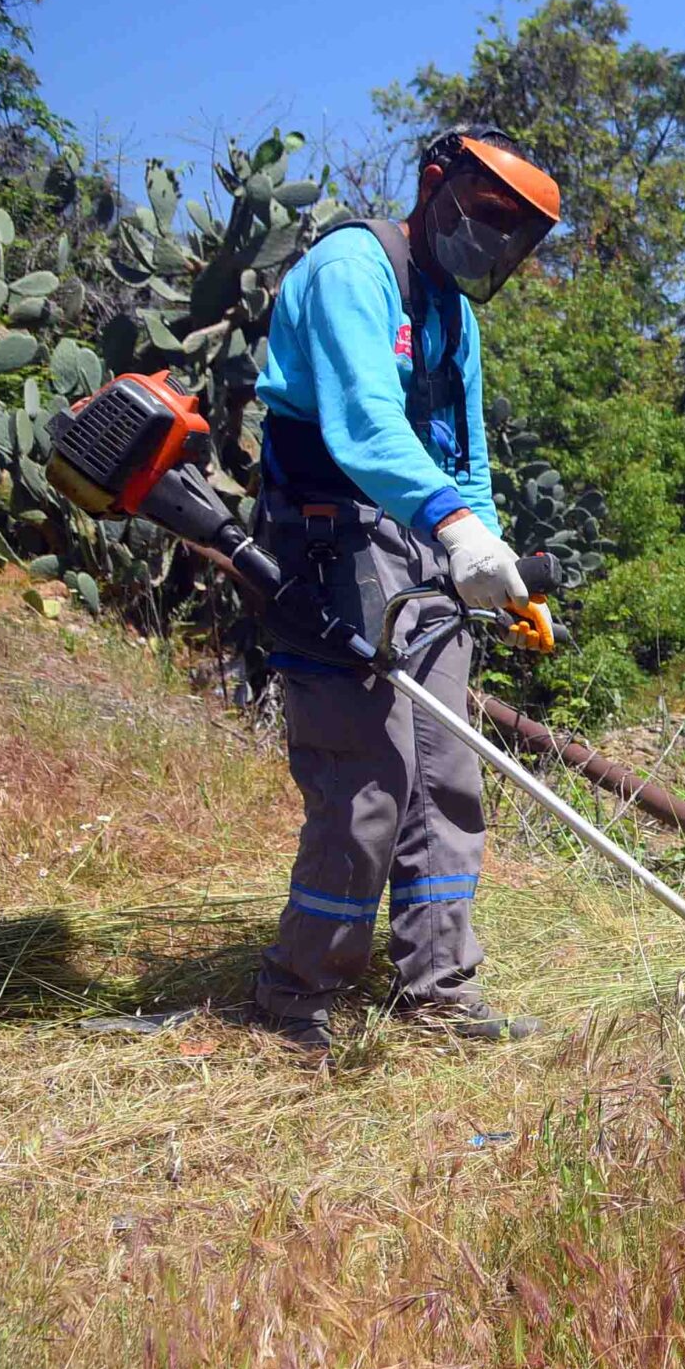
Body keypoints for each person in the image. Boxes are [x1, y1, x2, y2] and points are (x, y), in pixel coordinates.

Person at [240, 127, 561, 1052]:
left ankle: (440, 990)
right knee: (368, 775)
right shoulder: (355, 267)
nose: (497, 242)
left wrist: (491, 560)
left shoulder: (455, 311)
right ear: (436, 183)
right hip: (329, 537)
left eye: (517, 234)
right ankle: (296, 995)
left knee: (449, 770)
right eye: (488, 214)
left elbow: (466, 452)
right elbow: (364, 426)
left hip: (423, 542)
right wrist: (454, 528)